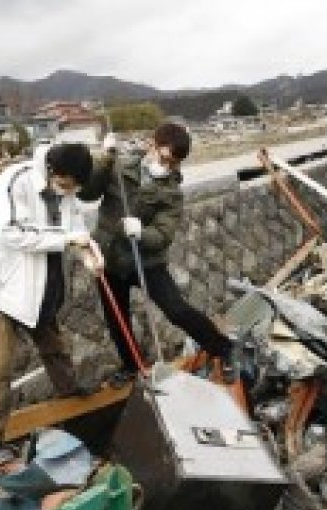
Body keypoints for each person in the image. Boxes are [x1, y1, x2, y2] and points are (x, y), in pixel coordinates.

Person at [0, 142, 103, 463]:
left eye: (74, 188)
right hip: (2, 288)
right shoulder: (15, 181)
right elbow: (11, 232)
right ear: (54, 171)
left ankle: (70, 392)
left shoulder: (66, 189)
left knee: (54, 347)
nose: (69, 192)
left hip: (41, 284)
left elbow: (75, 227)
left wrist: (89, 253)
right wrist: (65, 239)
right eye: (66, 185)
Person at [79, 123, 234, 382]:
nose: (167, 167)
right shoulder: (118, 166)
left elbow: (163, 236)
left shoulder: (172, 193)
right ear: (152, 145)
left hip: (146, 261)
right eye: (164, 159)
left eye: (174, 163)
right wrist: (104, 158)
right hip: (110, 257)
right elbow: (86, 193)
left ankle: (224, 349)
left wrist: (141, 232)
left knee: (177, 310)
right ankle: (132, 366)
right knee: (117, 319)